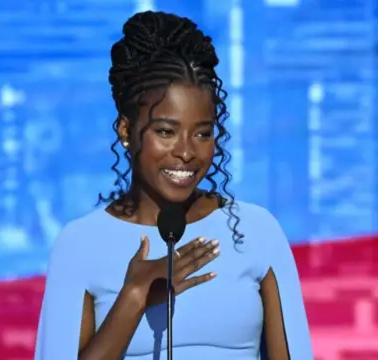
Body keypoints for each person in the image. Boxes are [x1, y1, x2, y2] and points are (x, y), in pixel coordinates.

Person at [34, 11, 313, 360]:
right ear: (125, 131)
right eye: (165, 132)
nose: (186, 152)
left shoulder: (256, 231)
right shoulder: (79, 245)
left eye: (203, 133)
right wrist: (134, 296)